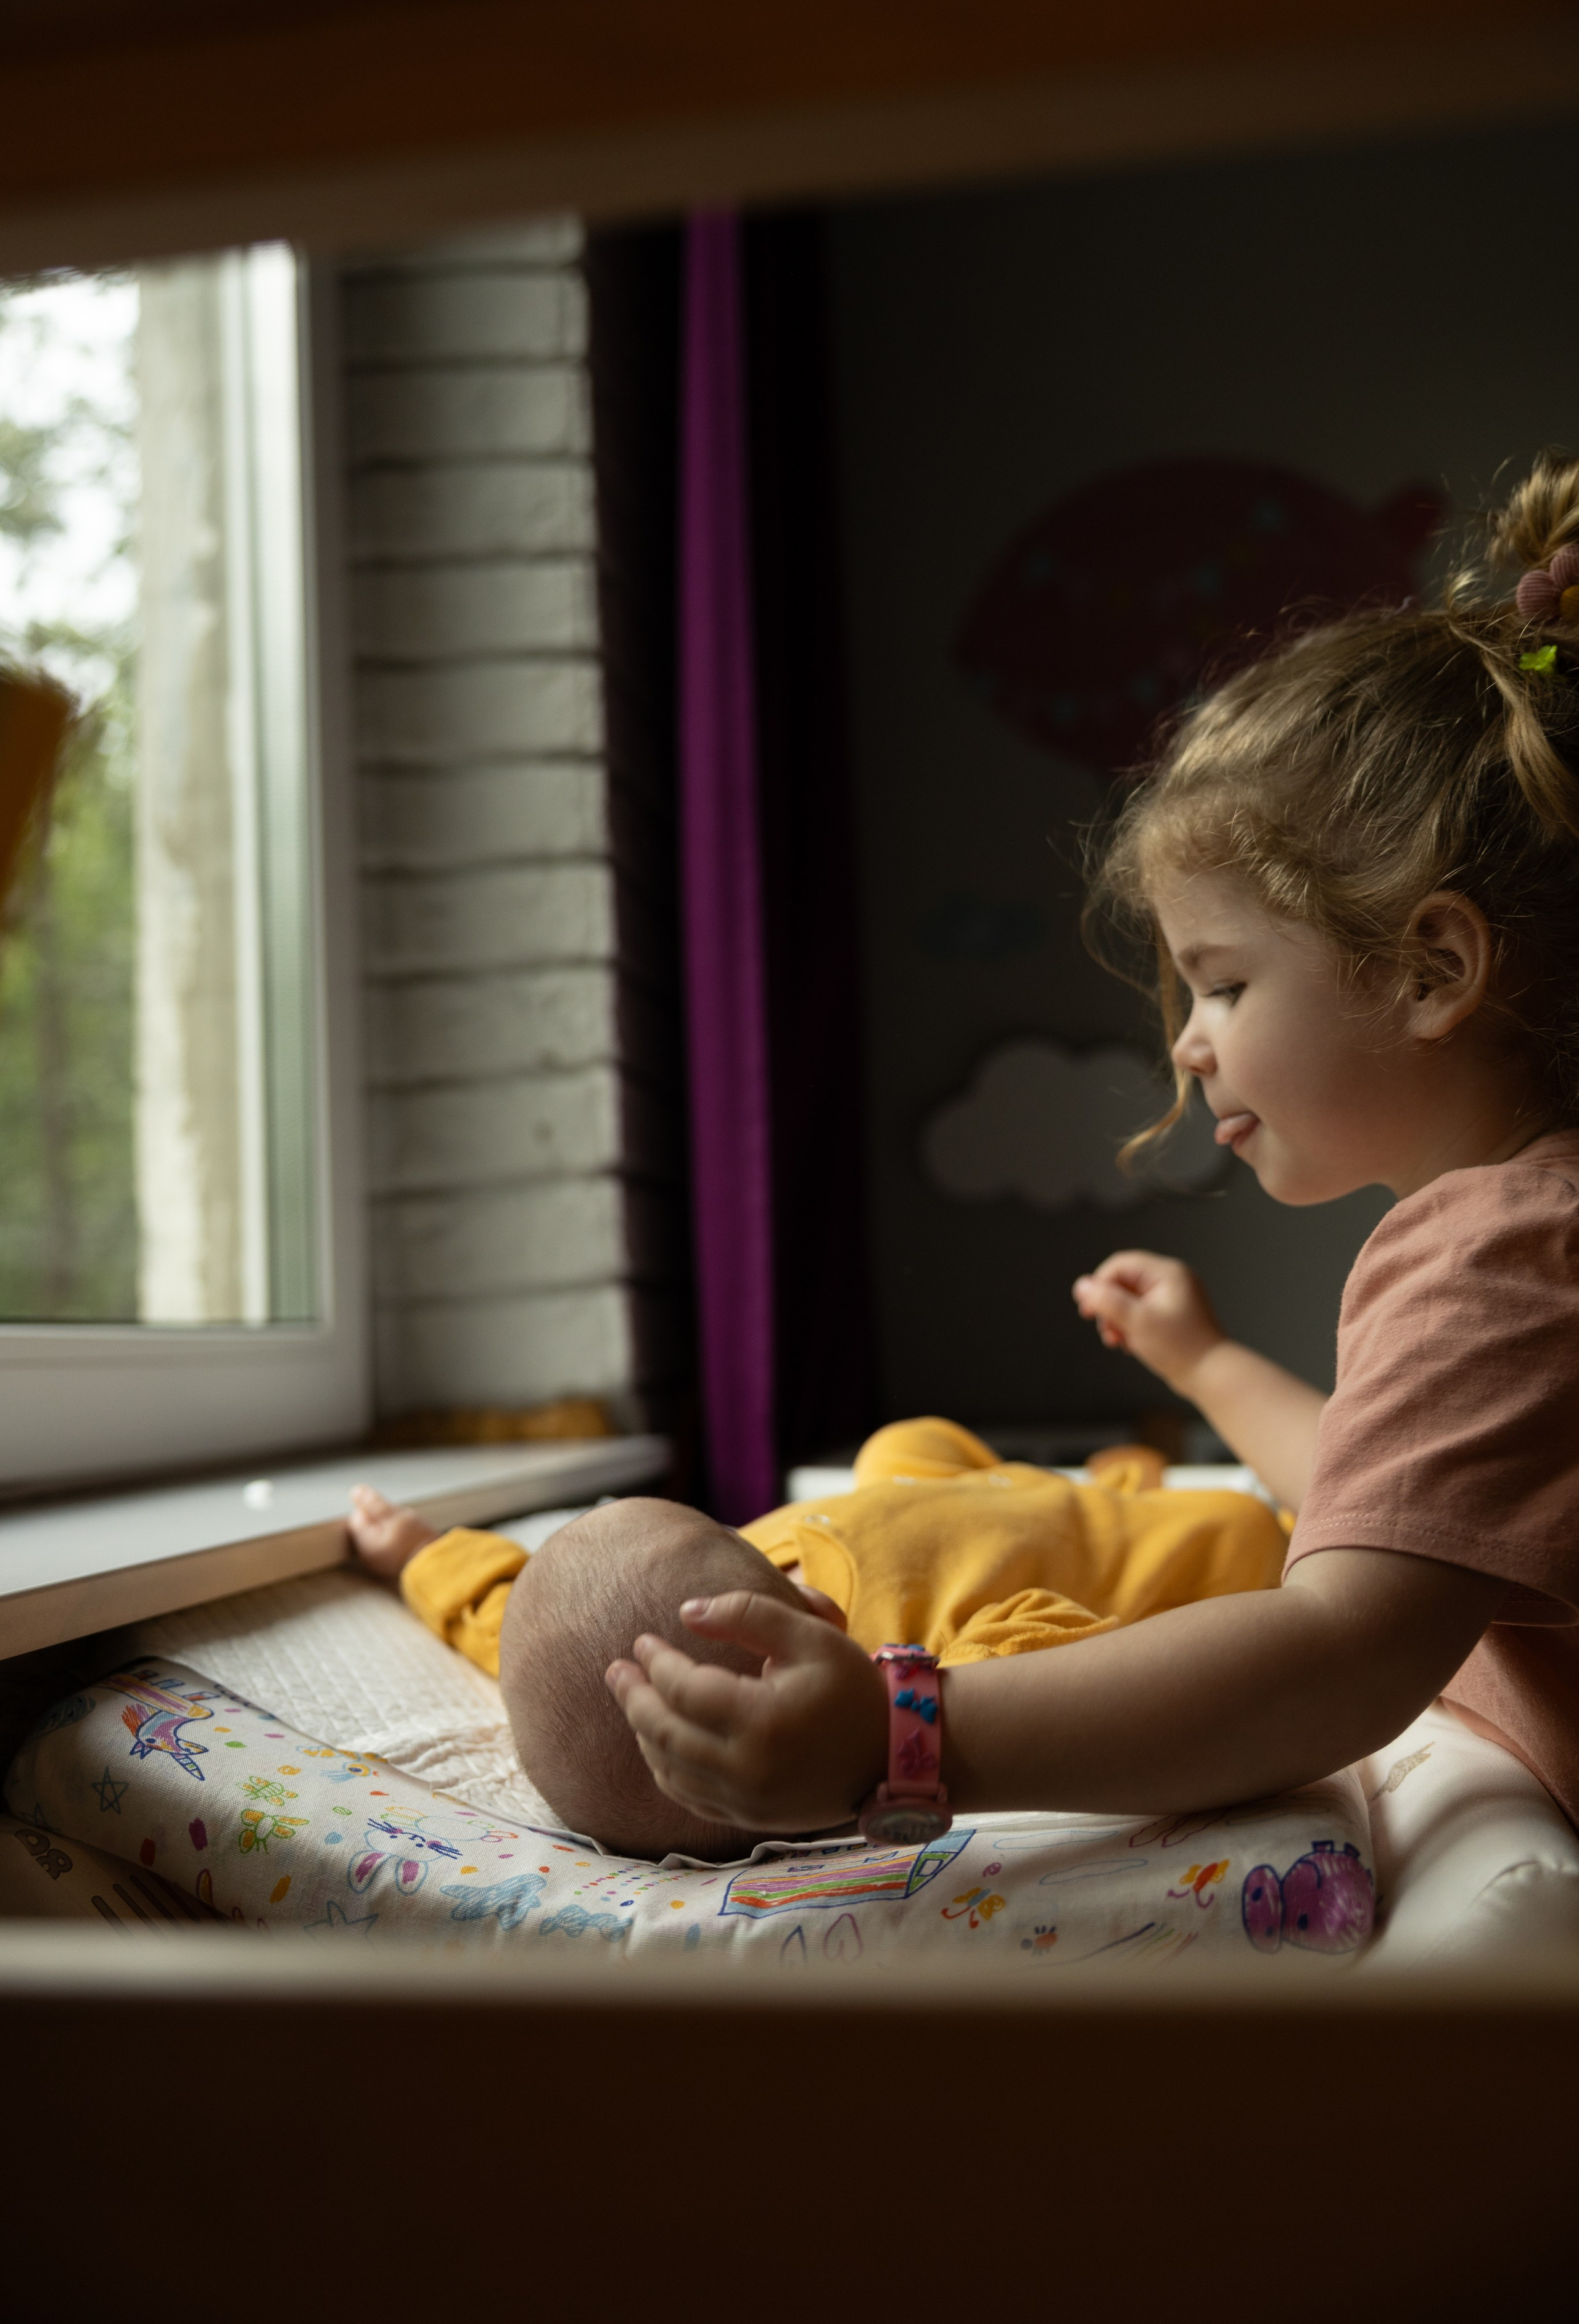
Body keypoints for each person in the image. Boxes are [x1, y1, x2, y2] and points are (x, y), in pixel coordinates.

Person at [599, 452, 1579, 1844]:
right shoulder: (1537, 1230)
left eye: (1222, 983)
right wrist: (1207, 1365)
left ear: (1428, 969)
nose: (1186, 1042)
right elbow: (1402, 1503)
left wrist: (900, 1736)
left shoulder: (1498, 1244)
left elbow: (1338, 1651)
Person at [347, 1422, 1287, 1857]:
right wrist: (901, 1712)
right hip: (1149, 1545)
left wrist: (421, 1554)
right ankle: (1135, 1478)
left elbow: (500, 1611)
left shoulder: (614, 1658)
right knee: (1201, 1530)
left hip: (910, 1492)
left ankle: (1115, 1469)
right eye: (737, 1548)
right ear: (824, 1630)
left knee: (899, 1444)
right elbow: (1069, 1658)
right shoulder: (919, 1673)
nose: (760, 1546)